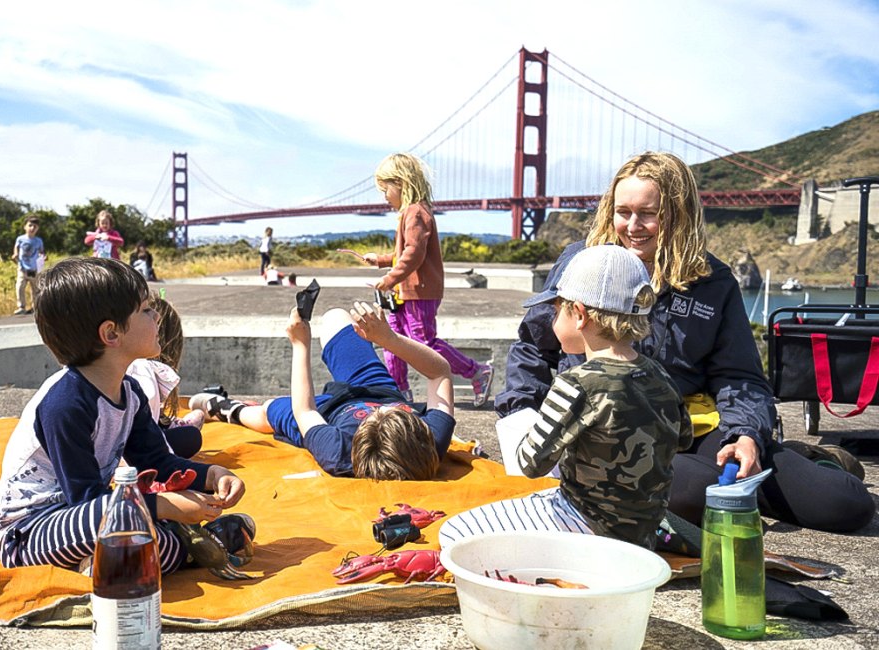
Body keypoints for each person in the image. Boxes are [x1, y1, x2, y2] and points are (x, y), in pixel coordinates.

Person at [495, 151, 875, 533]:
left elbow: (738, 375)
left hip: (690, 428)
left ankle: (805, 458)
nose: (632, 226)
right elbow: (533, 346)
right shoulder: (581, 261)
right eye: (623, 211)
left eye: (649, 213)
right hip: (598, 434)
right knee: (690, 493)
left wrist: (745, 436)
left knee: (844, 505)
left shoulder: (714, 282)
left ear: (679, 214)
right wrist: (521, 415)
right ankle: (725, 485)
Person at [0, 257, 252, 578]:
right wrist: (163, 507)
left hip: (92, 515)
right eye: (145, 310)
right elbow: (84, 501)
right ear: (111, 333)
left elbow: (157, 460)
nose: (156, 317)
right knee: (123, 520)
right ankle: (188, 548)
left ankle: (119, 560)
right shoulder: (65, 404)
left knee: (134, 526)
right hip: (31, 531)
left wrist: (212, 475)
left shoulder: (130, 392)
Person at [441, 244, 693, 550]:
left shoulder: (577, 383)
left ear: (580, 315)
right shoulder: (659, 374)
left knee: (454, 532)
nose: (551, 318)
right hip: (644, 529)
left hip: (587, 524)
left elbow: (530, 465)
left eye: (556, 309)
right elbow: (683, 439)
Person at [189, 301, 456, 479]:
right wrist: (388, 338)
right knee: (336, 318)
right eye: (397, 412)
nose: (380, 411)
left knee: (270, 411)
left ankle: (227, 408)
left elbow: (305, 410)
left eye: (376, 416)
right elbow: (440, 372)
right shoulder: (432, 440)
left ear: (360, 437)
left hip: (327, 412)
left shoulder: (337, 451)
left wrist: (300, 344)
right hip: (378, 388)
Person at [360, 153, 494, 406]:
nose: (384, 196)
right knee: (392, 340)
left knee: (424, 343)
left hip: (420, 291)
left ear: (400, 183)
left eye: (385, 189)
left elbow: (414, 254)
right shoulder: (412, 213)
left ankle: (476, 371)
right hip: (405, 293)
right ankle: (398, 390)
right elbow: (405, 253)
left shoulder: (416, 213)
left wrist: (389, 279)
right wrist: (380, 260)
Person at [126, 294, 205, 458]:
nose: (156, 315)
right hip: (125, 451)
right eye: (147, 312)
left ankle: (166, 425)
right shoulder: (141, 368)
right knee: (190, 438)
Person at [12, 216, 44, 315]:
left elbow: (41, 252)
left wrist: (43, 257)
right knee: (20, 286)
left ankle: (35, 306)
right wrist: (15, 255)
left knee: (35, 288)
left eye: (35, 226)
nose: (32, 228)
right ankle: (21, 306)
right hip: (22, 267)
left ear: (38, 228)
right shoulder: (20, 239)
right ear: (25, 227)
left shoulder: (38, 241)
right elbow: (16, 248)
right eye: (30, 225)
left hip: (34, 268)